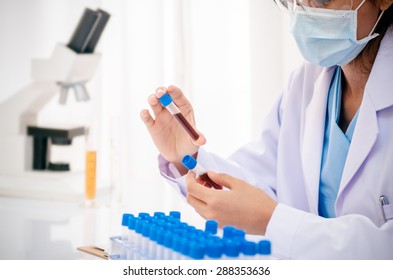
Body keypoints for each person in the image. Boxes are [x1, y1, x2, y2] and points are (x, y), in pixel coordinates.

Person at [140, 0, 393, 259]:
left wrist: (272, 220)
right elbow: (260, 185)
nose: (304, 12)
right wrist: (190, 159)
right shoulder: (306, 83)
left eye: (321, 0)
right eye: (292, 0)